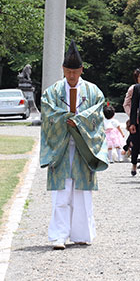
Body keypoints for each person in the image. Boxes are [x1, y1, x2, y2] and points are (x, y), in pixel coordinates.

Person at [40, 41, 108, 249]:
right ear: (63, 69)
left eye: (75, 71)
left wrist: (79, 121)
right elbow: (47, 112)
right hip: (60, 146)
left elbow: (97, 113)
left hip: (83, 147)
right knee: (61, 193)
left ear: (81, 70)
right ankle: (58, 236)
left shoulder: (93, 91)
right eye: (68, 71)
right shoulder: (52, 92)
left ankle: (81, 234)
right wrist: (65, 119)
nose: (71, 76)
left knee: (82, 193)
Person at [124, 68, 140, 176]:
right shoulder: (133, 88)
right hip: (135, 120)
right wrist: (132, 117)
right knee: (135, 144)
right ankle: (134, 165)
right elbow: (126, 104)